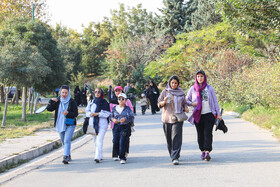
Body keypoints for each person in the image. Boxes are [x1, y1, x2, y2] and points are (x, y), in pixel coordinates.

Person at [186, 70, 222, 161]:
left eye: (201, 76)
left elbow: (215, 101)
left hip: (209, 114)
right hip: (198, 115)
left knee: (208, 134)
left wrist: (218, 113)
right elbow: (186, 100)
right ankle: (202, 150)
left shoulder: (210, 88)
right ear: (196, 78)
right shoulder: (192, 88)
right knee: (200, 134)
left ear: (204, 77)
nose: (200, 78)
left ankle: (207, 152)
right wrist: (192, 104)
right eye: (198, 76)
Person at [158, 76, 189, 165]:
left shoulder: (181, 92)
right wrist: (164, 102)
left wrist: (186, 108)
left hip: (178, 118)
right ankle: (173, 153)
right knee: (169, 138)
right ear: (169, 83)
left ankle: (175, 156)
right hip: (167, 118)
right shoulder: (165, 91)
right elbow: (159, 103)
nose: (174, 84)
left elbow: (184, 103)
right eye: (172, 83)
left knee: (176, 136)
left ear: (178, 84)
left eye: (176, 83)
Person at [46, 85, 78, 164]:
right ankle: (68, 154)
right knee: (63, 141)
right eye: (63, 92)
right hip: (60, 124)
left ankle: (65, 156)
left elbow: (76, 113)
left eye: (66, 93)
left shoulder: (72, 101)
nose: (64, 94)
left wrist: (68, 113)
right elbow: (49, 109)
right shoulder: (58, 101)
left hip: (70, 124)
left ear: (68, 93)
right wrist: (51, 101)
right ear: (60, 92)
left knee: (67, 140)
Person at [85, 88, 110, 163]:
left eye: (99, 92)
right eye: (95, 92)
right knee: (95, 140)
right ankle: (100, 154)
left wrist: (98, 114)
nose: (97, 93)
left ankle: (97, 156)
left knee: (99, 140)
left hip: (102, 124)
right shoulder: (91, 102)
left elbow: (107, 114)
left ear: (101, 93)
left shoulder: (105, 102)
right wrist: (90, 114)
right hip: (93, 123)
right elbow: (87, 112)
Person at [109, 86, 133, 161]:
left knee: (124, 140)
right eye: (116, 91)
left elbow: (131, 112)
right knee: (115, 140)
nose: (117, 92)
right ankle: (116, 154)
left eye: (119, 91)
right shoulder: (112, 102)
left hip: (125, 124)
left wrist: (126, 119)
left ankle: (123, 155)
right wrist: (113, 119)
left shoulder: (127, 102)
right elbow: (110, 114)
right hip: (115, 124)